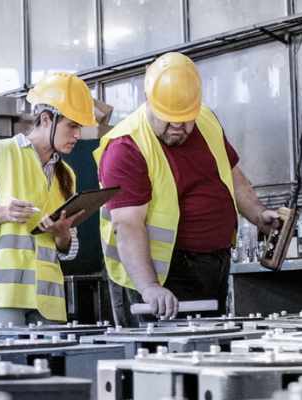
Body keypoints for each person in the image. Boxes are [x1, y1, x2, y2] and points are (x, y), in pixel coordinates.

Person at [94, 52, 281, 327]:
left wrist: (257, 213)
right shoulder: (126, 146)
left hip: (212, 266)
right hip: (160, 276)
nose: (178, 127)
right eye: (168, 118)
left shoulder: (205, 120)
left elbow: (230, 172)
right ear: (149, 101)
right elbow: (128, 225)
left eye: (185, 118)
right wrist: (149, 287)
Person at [0, 72, 98, 329]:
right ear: (46, 119)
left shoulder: (67, 175)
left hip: (47, 299)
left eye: (80, 128)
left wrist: (62, 234)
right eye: (72, 126)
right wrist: (1, 212)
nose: (78, 135)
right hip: (2, 297)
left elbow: (66, 248)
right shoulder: (0, 154)